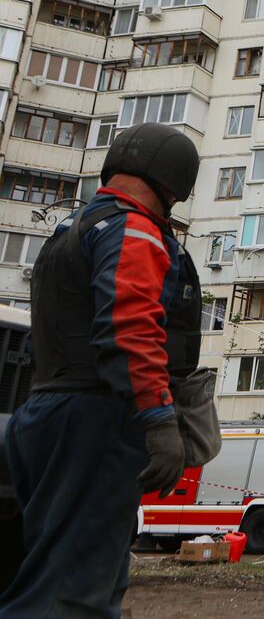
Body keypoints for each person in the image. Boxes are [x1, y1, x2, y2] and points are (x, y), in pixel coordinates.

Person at [0, 123, 202, 618]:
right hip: (96, 421)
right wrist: (157, 419)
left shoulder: (69, 234)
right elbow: (131, 326)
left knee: (65, 573)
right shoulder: (134, 229)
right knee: (70, 594)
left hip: (44, 414)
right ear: (174, 185)